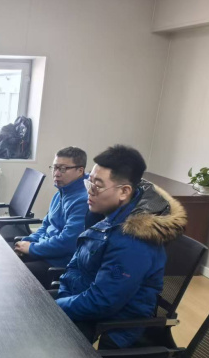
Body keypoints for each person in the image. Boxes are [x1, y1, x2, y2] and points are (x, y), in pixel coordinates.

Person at [56, 144, 186, 347]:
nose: (89, 191)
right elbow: (77, 265)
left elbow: (102, 302)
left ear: (124, 192)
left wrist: (56, 307)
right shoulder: (105, 215)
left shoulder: (133, 241)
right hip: (83, 304)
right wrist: (62, 298)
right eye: (89, 182)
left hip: (110, 328)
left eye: (98, 185)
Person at [14, 147, 89, 288]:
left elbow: (67, 243)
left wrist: (32, 248)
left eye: (63, 169)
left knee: (13, 273)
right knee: (6, 258)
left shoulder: (83, 200)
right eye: (54, 167)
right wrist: (28, 241)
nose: (56, 173)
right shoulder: (60, 193)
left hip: (59, 263)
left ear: (80, 170)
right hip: (45, 252)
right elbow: (45, 226)